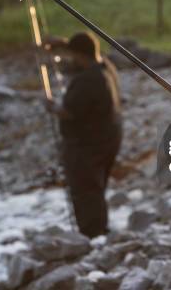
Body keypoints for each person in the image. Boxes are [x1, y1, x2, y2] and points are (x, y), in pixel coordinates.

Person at [44, 31, 122, 238]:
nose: (71, 59)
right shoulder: (105, 68)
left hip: (88, 144)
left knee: (85, 188)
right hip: (109, 139)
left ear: (80, 55)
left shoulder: (88, 80)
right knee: (95, 188)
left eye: (73, 54)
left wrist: (52, 107)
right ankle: (99, 231)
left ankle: (92, 234)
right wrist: (61, 43)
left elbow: (69, 112)